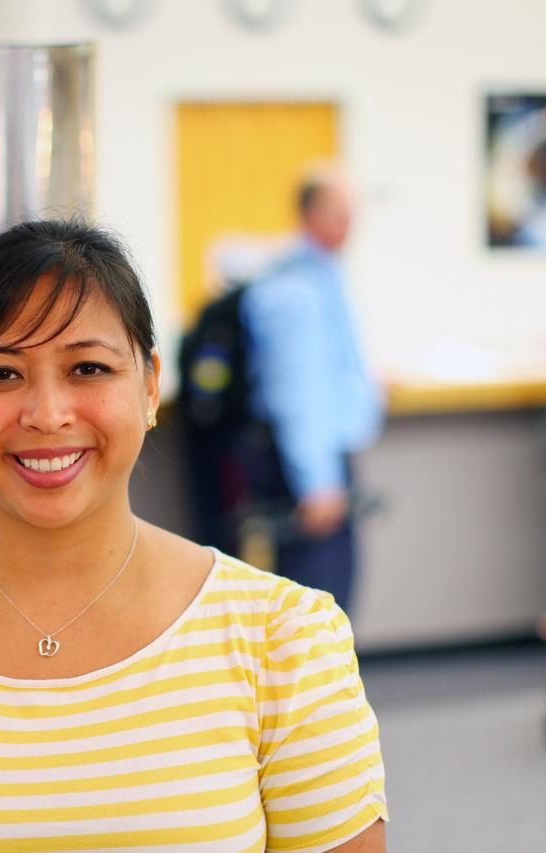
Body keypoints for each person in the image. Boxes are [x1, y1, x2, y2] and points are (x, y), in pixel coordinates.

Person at [0, 221, 388, 852]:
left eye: (88, 367)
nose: (48, 413)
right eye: (1, 374)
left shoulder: (284, 640)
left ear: (149, 386)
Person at [237, 168, 383, 610]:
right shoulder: (294, 287)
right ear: (310, 214)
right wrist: (317, 481)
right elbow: (295, 392)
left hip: (318, 458)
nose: (348, 226)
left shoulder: (323, 274)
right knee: (317, 604)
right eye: (338, 213)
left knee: (328, 598)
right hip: (301, 467)